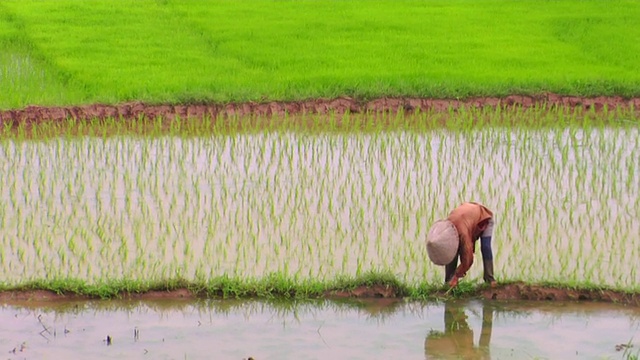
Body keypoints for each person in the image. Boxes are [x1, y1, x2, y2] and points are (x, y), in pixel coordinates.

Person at [445, 202, 496, 288]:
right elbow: (450, 251)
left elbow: (468, 258)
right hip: (468, 219)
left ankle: (489, 279)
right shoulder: (447, 226)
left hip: (484, 219)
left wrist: (457, 275)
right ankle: (449, 281)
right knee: (452, 250)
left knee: (486, 247)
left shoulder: (463, 233)